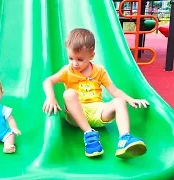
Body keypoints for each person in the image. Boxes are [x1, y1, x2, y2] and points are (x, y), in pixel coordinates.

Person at [42, 28, 149, 158]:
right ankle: (89, 134)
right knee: (69, 94)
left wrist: (131, 99)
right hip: (76, 115)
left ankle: (124, 139)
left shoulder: (99, 71)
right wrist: (50, 98)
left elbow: (114, 91)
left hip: (98, 112)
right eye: (71, 58)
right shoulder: (68, 70)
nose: (74, 63)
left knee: (119, 101)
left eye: (80, 59)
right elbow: (48, 81)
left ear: (92, 55)